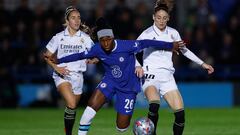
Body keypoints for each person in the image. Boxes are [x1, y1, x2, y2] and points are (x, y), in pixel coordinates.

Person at [55, 17, 184, 135]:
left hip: (128, 88)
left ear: (113, 38)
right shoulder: (97, 48)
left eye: (108, 40)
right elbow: (79, 55)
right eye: (102, 41)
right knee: (91, 106)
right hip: (110, 81)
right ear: (99, 41)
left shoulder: (125, 45)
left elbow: (146, 42)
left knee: (121, 127)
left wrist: (170, 45)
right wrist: (58, 60)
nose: (105, 44)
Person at [136, 0, 215, 135]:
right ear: (153, 17)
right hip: (150, 76)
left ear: (169, 18)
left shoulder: (173, 33)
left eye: (164, 18)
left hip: (167, 78)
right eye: (159, 18)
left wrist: (203, 64)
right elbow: (131, 51)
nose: (161, 21)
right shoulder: (146, 34)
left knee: (180, 115)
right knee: (154, 106)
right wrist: (138, 66)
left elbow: (185, 50)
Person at [43, 6, 95, 135]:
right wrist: (56, 67)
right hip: (62, 75)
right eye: (73, 18)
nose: (77, 20)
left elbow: (96, 56)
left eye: (78, 17)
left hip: (78, 77)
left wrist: (93, 59)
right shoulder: (59, 37)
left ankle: (67, 131)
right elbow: (46, 55)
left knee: (72, 109)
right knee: (71, 104)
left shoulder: (85, 38)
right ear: (67, 20)